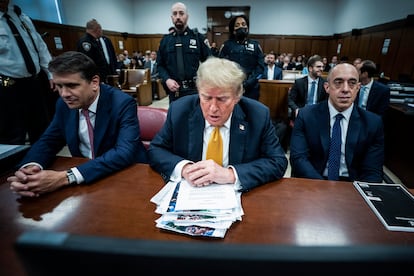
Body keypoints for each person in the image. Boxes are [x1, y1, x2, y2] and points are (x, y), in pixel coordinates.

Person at [7, 51, 148, 197]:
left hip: (126, 174)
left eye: (71, 86)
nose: (64, 94)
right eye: (59, 86)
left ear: (94, 82)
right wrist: (30, 168)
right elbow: (49, 140)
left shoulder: (122, 103)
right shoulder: (63, 104)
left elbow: (123, 153)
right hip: (85, 180)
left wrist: (66, 177)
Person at [148, 57, 288, 192]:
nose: (213, 107)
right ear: (198, 91)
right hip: (190, 194)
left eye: (222, 99)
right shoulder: (180, 110)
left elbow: (277, 162)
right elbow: (156, 150)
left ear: (237, 96)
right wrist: (185, 169)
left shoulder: (258, 115)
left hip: (240, 199)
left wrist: (230, 174)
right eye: (206, 97)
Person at [289, 63, 384, 183]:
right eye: (338, 82)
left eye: (352, 83)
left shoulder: (373, 123)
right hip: (314, 181)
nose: (345, 89)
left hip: (353, 185)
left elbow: (372, 171)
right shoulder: (306, 115)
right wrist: (323, 188)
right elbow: (298, 159)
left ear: (358, 88)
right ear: (327, 87)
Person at [0, 0, 55, 145]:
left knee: (41, 127)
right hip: (6, 82)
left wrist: (51, 73)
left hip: (33, 80)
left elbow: (40, 46)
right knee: (12, 131)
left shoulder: (20, 16)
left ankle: (40, 163)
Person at [157, 2, 211, 103]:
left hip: (194, 90)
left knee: (194, 117)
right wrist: (167, 79)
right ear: (171, 17)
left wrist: (204, 81)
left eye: (181, 13)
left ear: (187, 16)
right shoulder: (166, 40)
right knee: (176, 118)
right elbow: (160, 65)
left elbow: (210, 62)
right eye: (175, 14)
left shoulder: (198, 38)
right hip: (174, 91)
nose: (178, 17)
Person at [219, 15, 264, 100]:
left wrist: (249, 82)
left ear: (247, 28)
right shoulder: (227, 45)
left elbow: (261, 66)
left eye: (243, 24)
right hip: (231, 87)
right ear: (233, 31)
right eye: (237, 25)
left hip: (252, 88)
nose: (241, 27)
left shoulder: (255, 45)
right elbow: (221, 65)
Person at [288, 55, 328, 121]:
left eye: (322, 67)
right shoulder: (299, 82)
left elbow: (327, 102)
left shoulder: (325, 83)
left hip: (318, 114)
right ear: (310, 68)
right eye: (318, 67)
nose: (321, 69)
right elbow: (290, 99)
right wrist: (296, 109)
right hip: (302, 113)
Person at [77, 19, 117, 84]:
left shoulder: (94, 41)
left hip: (102, 76)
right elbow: (88, 63)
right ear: (97, 29)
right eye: (101, 29)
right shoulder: (86, 42)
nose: (102, 31)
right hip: (95, 78)